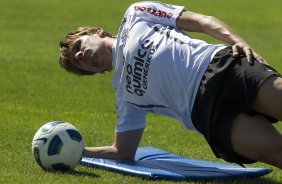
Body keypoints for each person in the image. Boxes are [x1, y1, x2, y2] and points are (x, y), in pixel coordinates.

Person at [59, 1, 282, 169]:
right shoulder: (124, 96)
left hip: (220, 67)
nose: (80, 55)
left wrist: (238, 42)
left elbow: (202, 21)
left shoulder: (136, 14)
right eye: (79, 63)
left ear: (96, 32)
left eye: (78, 45)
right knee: (275, 153)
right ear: (95, 72)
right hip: (206, 114)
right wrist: (76, 151)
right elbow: (123, 152)